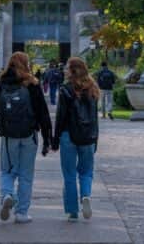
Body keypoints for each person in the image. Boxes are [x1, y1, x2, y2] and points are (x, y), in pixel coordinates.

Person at [0, 52, 52, 225]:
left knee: (7, 170)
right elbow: (43, 114)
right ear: (27, 64)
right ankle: (22, 212)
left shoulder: (3, 83)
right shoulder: (32, 84)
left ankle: (8, 194)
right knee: (26, 175)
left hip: (9, 136)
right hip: (29, 135)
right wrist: (47, 139)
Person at [53, 57, 99, 222]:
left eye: (67, 68)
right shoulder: (93, 89)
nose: (65, 70)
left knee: (69, 174)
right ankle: (86, 195)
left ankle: (72, 211)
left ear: (72, 70)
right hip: (88, 136)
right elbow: (94, 118)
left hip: (68, 135)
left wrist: (55, 138)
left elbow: (60, 116)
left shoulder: (66, 89)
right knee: (87, 172)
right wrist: (96, 140)